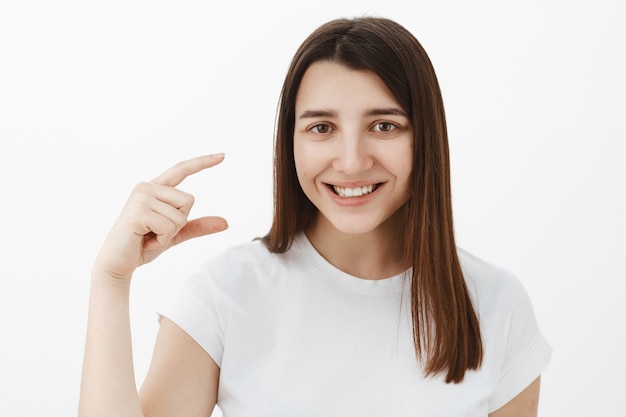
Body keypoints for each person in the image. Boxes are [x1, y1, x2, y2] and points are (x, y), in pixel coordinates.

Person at [79, 17, 551, 417]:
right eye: (322, 128)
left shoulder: (495, 304)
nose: (351, 161)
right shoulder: (224, 295)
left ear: (425, 136)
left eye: (383, 126)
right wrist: (111, 279)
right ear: (291, 142)